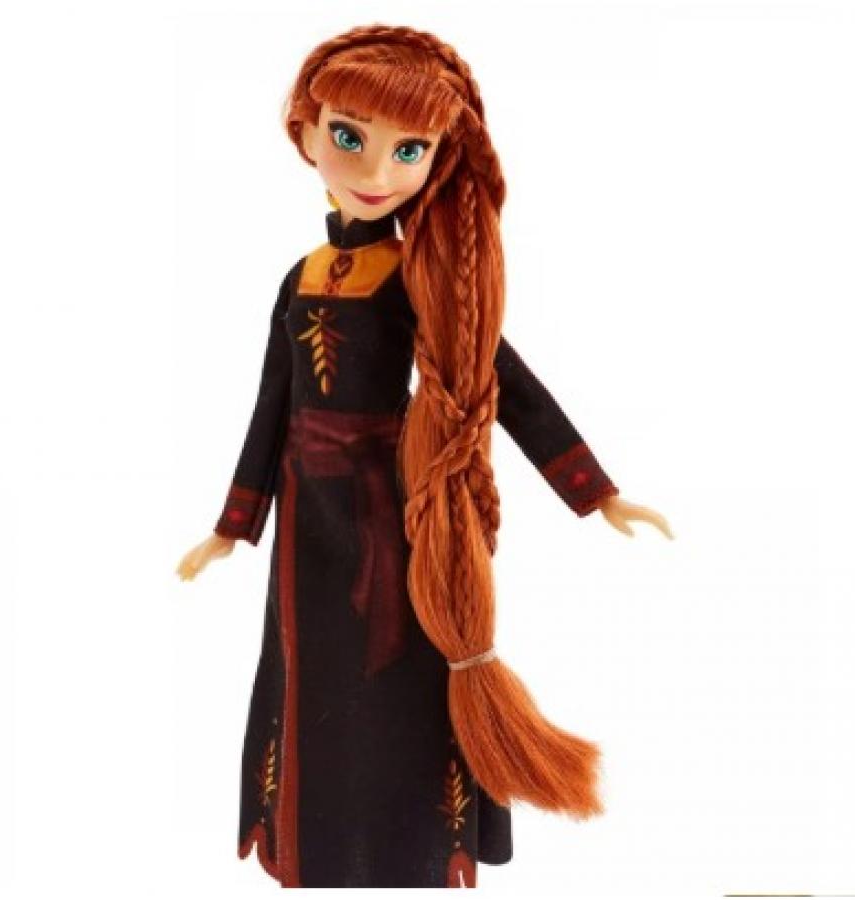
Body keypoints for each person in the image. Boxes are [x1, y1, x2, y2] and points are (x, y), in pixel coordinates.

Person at [176, 23, 673, 888]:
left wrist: (594, 491)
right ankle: (318, 846)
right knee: (306, 670)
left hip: (396, 510)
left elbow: (503, 381)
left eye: (408, 150)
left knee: (397, 677)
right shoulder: (300, 277)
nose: (376, 171)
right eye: (349, 137)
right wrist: (233, 524)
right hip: (305, 521)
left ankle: (403, 849)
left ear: (437, 160)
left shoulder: (420, 276)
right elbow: (272, 405)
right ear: (305, 132)